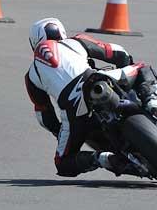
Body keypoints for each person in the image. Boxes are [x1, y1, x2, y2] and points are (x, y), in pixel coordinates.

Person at [24, 17, 157, 177]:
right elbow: (114, 51)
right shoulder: (74, 42)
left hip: (73, 110)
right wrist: (127, 63)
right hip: (97, 79)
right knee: (143, 68)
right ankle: (152, 102)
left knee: (63, 163)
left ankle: (101, 158)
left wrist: (59, 131)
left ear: (34, 42)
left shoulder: (31, 76)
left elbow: (44, 115)